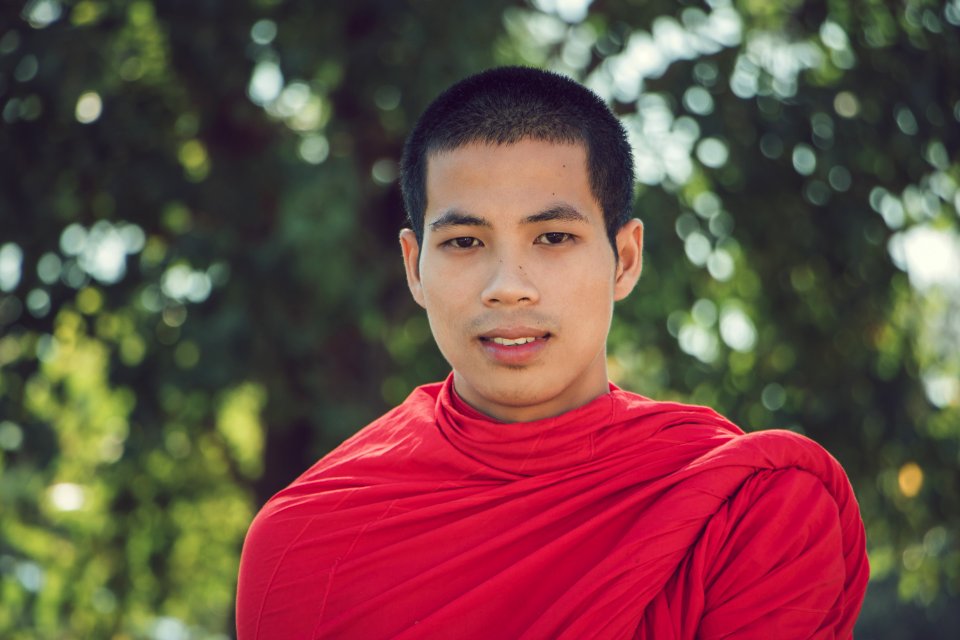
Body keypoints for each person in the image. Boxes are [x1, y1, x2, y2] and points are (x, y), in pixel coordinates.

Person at [236, 66, 869, 639]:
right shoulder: (306, 546)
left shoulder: (746, 513)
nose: (508, 285)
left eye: (554, 236)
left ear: (624, 259)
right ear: (414, 267)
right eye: (463, 242)